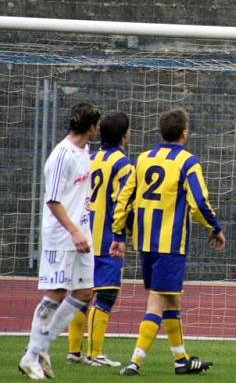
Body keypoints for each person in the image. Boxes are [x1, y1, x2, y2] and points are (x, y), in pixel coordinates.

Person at [111, 108, 226, 376]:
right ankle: (135, 362)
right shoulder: (188, 162)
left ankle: (181, 360)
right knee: (157, 302)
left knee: (171, 300)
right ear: (184, 133)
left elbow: (124, 199)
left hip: (145, 244)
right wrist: (214, 228)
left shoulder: (142, 159)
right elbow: (198, 202)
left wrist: (119, 234)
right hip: (170, 245)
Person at [18, 102, 101, 380]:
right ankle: (31, 355)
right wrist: (74, 231)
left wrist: (83, 230)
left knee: (84, 292)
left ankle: (40, 349)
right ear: (90, 127)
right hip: (62, 235)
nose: (98, 129)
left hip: (81, 233)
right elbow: (53, 201)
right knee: (56, 292)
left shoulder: (85, 150)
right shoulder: (61, 156)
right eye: (96, 124)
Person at [66, 112, 133, 367]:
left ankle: (74, 352)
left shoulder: (89, 158)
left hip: (83, 236)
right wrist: (124, 234)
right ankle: (95, 354)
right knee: (105, 297)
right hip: (106, 240)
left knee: (82, 293)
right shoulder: (124, 164)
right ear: (124, 135)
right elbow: (124, 204)